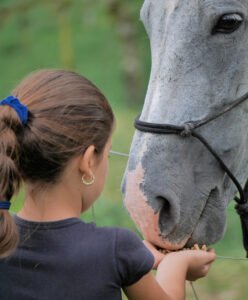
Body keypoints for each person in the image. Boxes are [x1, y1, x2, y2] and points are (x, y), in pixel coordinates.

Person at [0, 69, 216, 300]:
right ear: (88, 161)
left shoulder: (4, 241)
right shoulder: (115, 248)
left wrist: (135, 257)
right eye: (108, 155)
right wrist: (175, 264)